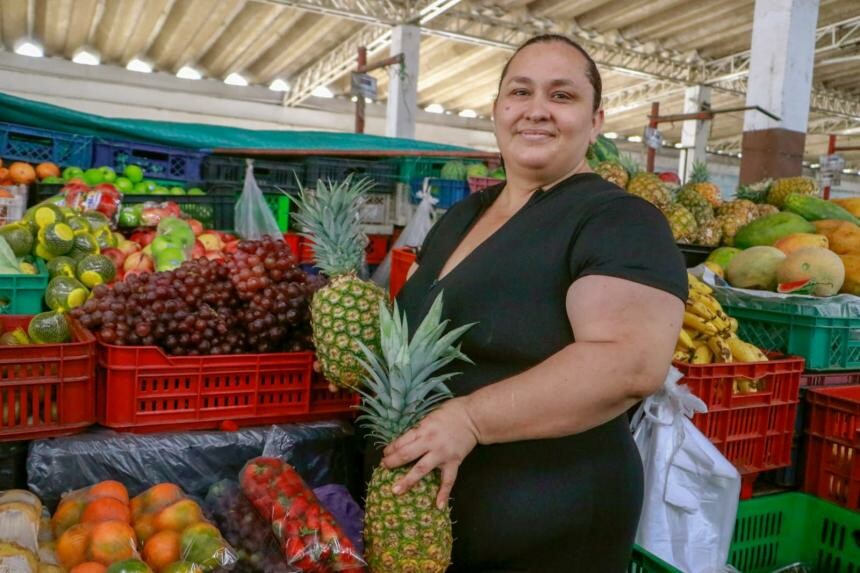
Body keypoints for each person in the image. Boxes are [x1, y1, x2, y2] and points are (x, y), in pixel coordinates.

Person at [377, 34, 687, 572]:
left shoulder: (618, 220)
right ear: (498, 110)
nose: (536, 111)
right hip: (431, 530)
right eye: (520, 92)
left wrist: (470, 420)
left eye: (562, 96)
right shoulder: (461, 218)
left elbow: (629, 362)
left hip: (552, 529)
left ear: (595, 122)